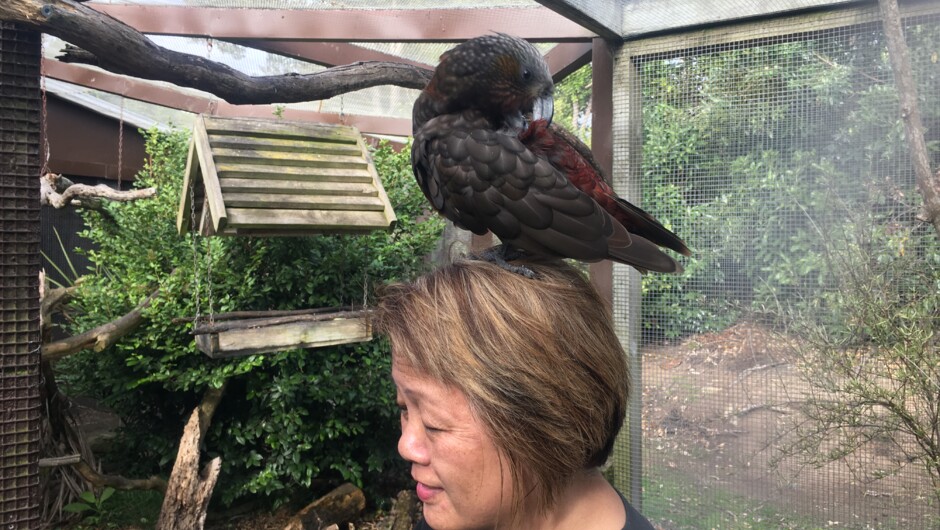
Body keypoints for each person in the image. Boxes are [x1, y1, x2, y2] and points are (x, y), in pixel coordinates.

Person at [373, 256, 656, 530]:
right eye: (404, 408)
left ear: (547, 424)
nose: (406, 446)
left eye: (435, 424)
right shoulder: (459, 518)